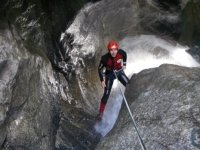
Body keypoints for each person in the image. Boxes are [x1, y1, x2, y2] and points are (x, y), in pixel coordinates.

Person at [97, 40, 129, 120]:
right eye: (111, 50)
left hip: (119, 72)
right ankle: (100, 113)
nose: (113, 52)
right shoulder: (105, 58)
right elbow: (100, 69)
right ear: (109, 50)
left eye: (115, 49)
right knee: (106, 94)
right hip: (110, 75)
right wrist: (102, 80)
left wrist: (124, 64)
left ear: (117, 49)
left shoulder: (121, 53)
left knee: (129, 85)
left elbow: (125, 55)